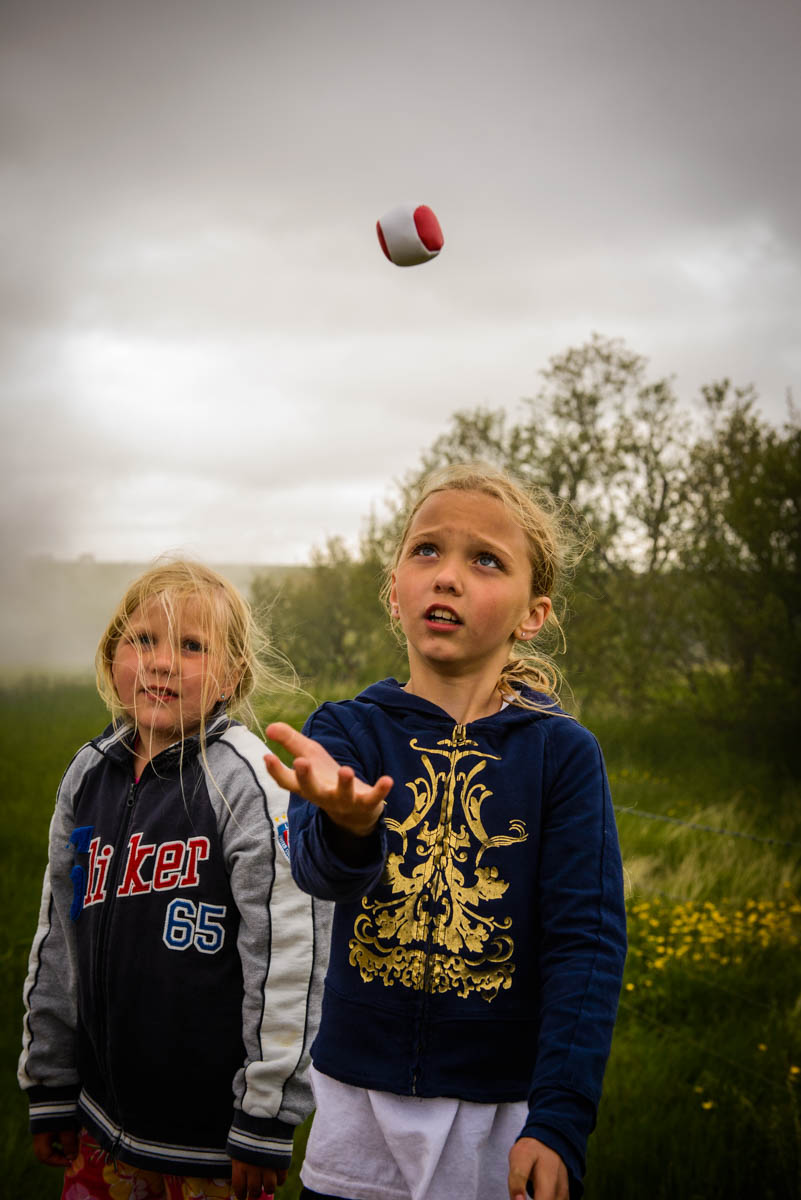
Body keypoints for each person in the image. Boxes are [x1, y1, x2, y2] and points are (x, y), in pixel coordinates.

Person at [265, 463, 627, 1200]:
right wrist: (348, 830)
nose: (448, 577)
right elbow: (316, 872)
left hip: (500, 1114)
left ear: (534, 611)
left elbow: (585, 942)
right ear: (393, 590)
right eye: (426, 551)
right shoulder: (345, 729)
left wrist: (557, 1119)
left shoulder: (562, 754)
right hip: (357, 1113)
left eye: (485, 560)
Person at [19, 559, 330, 1200]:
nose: (163, 662)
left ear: (232, 674)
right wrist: (49, 1078)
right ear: (113, 657)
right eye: (143, 640)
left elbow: (289, 951)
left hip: (215, 1147)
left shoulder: (248, 780)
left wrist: (265, 1114)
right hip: (99, 1126)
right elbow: (57, 939)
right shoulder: (89, 775)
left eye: (192, 646)